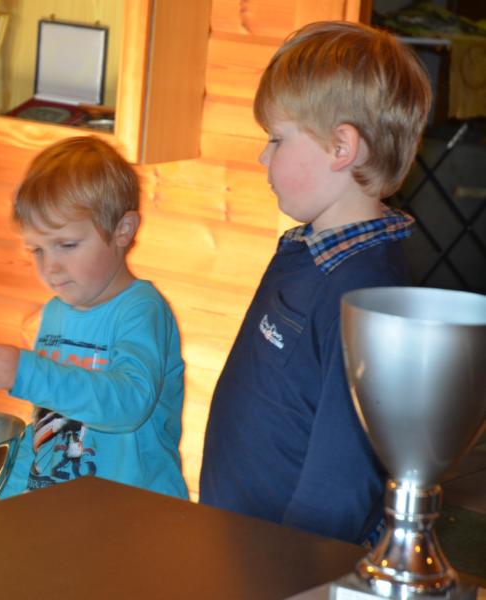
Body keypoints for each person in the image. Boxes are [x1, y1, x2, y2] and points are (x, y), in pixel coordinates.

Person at [199, 21, 432, 545]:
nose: (263, 156)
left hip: (290, 562)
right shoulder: (308, 253)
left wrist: (298, 567)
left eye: (277, 139)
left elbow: (344, 476)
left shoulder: (365, 295)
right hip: (242, 546)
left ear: (340, 147)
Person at [0, 136, 188, 500]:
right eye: (37, 250)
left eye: (67, 245)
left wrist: (30, 373)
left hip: (135, 513)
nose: (50, 267)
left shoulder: (142, 311)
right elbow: (46, 426)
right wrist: (0, 499)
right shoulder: (56, 312)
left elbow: (129, 403)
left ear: (123, 230)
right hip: (65, 509)